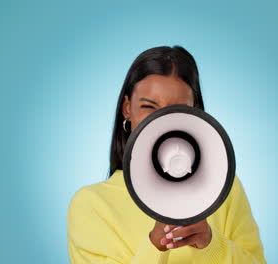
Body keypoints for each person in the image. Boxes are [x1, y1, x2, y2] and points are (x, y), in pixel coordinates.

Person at [67, 46, 267, 264]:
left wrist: (211, 243)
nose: (160, 121)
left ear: (195, 112)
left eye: (176, 110)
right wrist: (155, 244)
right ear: (127, 108)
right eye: (149, 107)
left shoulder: (224, 190)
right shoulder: (91, 205)